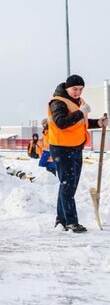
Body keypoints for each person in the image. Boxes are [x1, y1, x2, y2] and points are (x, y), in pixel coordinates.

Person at [47, 75, 109, 233]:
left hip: (75, 147)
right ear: (67, 88)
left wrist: (98, 123)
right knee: (67, 184)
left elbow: (81, 123)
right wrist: (81, 112)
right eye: (75, 89)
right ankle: (71, 222)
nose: (77, 92)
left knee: (69, 185)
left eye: (80, 89)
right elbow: (62, 122)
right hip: (61, 147)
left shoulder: (78, 103)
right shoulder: (58, 102)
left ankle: (61, 219)